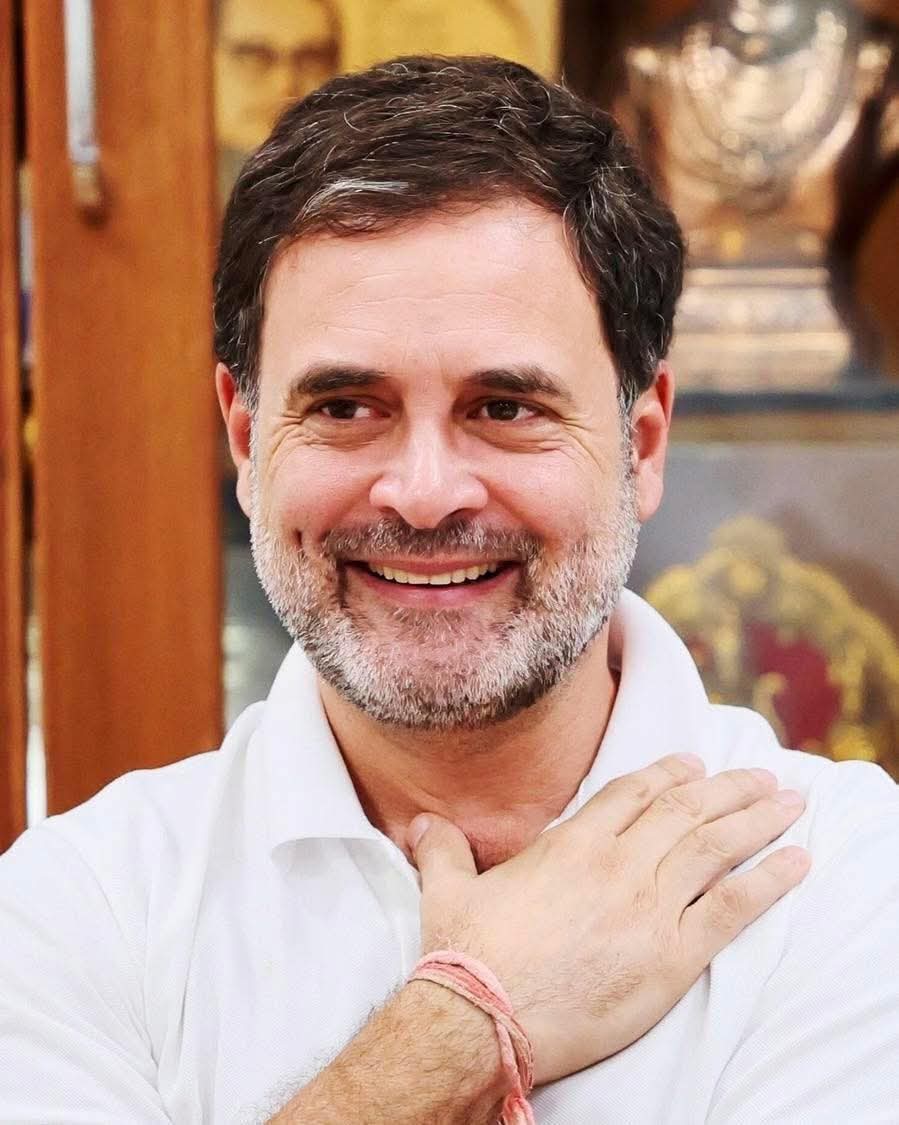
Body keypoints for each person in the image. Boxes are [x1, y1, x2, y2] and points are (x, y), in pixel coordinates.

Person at [1, 55, 897, 1124]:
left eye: (503, 408)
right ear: (245, 440)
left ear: (641, 442)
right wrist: (461, 1025)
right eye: (345, 407)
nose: (423, 495)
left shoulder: (849, 881)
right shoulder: (79, 908)